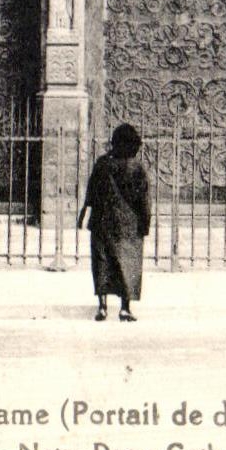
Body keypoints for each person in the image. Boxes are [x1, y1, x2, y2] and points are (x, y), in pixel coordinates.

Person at [78, 124, 151, 322]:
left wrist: (85, 214)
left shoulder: (102, 163)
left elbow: (91, 192)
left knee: (102, 263)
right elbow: (144, 199)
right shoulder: (137, 167)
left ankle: (102, 307)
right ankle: (125, 308)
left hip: (102, 221)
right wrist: (145, 222)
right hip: (128, 225)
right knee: (127, 265)